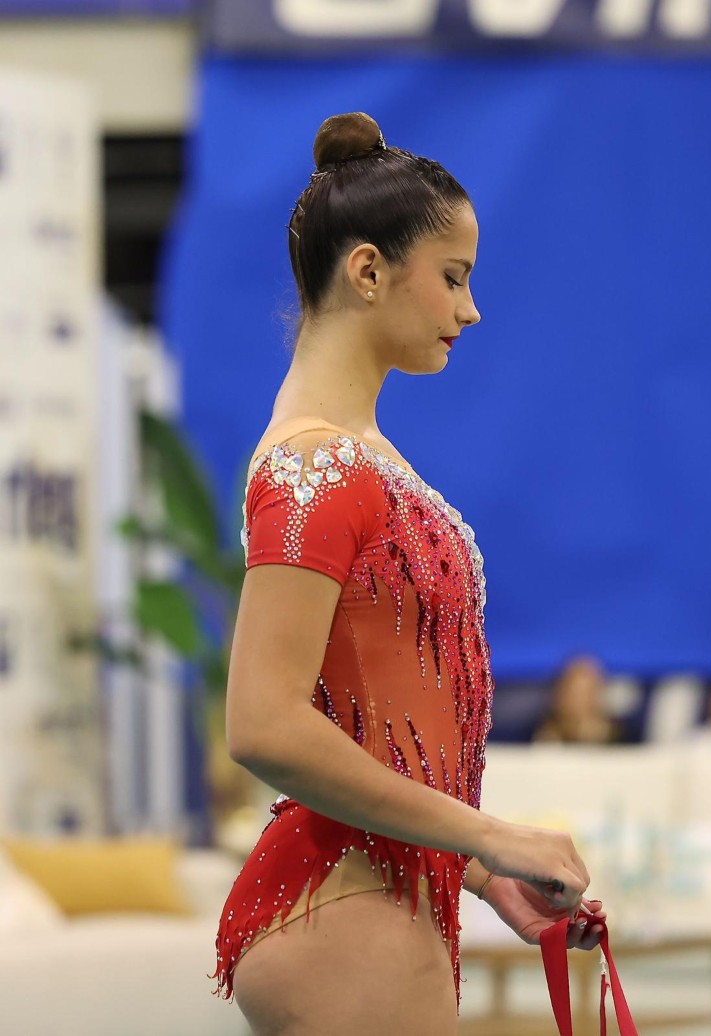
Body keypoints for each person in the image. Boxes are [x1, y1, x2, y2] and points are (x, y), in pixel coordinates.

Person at [211, 112, 605, 1036]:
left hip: (379, 903)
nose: (470, 310)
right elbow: (263, 724)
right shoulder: (314, 470)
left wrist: (481, 873)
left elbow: (377, 718)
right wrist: (491, 832)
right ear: (368, 270)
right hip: (346, 915)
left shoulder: (361, 456)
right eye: (455, 277)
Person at [533, 654, 628, 745]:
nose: (579, 699)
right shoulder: (541, 733)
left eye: (587, 691)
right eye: (574, 691)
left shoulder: (620, 736)